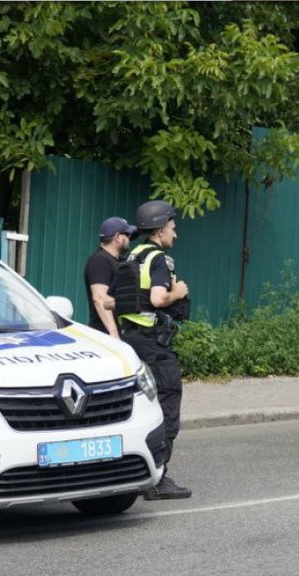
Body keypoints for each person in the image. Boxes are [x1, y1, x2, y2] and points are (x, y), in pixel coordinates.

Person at [112, 199, 191, 499]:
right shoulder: (159, 259)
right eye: (173, 227)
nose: (176, 234)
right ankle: (159, 478)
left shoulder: (132, 256)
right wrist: (177, 292)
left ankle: (139, 472)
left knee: (141, 405)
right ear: (160, 229)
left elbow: (112, 300)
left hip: (130, 339)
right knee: (169, 402)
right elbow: (158, 299)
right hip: (153, 343)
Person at [83, 216, 135, 337]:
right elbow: (99, 298)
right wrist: (114, 334)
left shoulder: (113, 261)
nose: (129, 239)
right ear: (117, 237)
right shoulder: (100, 260)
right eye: (127, 235)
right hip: (104, 335)